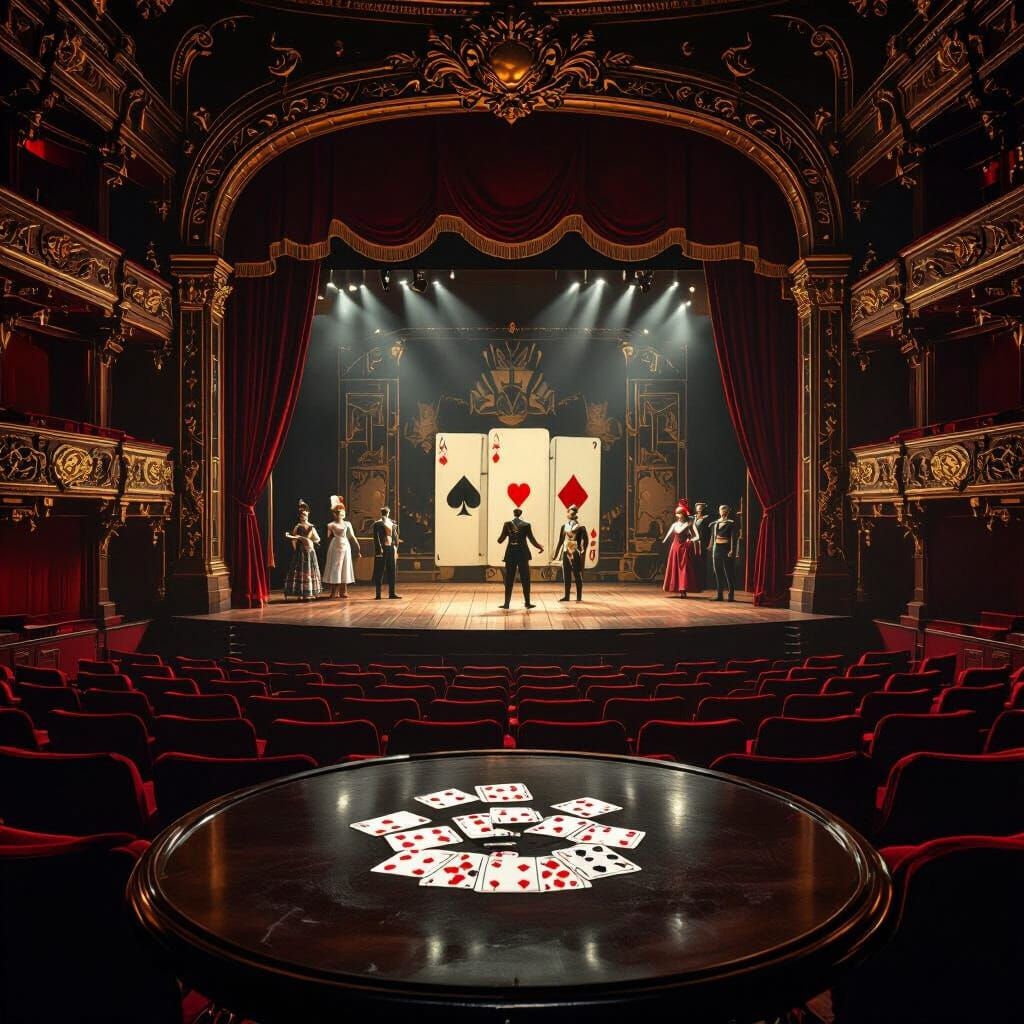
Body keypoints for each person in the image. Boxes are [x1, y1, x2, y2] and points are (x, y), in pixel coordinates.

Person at [497, 508, 544, 609]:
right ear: (521, 514)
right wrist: (540, 547)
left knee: (509, 579)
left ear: (513, 514)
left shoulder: (507, 524)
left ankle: (506, 604)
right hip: (523, 554)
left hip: (511, 554)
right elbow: (532, 539)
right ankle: (527, 603)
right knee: (525, 578)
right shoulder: (526, 525)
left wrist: (504, 535)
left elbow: (500, 540)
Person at [323, 497, 361, 599]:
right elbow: (328, 538)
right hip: (335, 546)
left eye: (342, 511)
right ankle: (333, 591)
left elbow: (352, 537)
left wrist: (358, 548)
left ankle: (343, 591)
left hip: (345, 546)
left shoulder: (347, 524)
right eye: (338, 511)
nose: (341, 513)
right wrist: (328, 550)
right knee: (336, 567)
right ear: (334, 513)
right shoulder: (331, 525)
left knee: (345, 566)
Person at [283, 500, 321, 601]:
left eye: (304, 514)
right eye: (301, 514)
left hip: (309, 551)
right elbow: (293, 539)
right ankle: (299, 592)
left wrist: (310, 541)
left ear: (308, 514)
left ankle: (309, 591)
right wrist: (296, 549)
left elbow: (317, 539)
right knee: (300, 571)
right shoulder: (298, 526)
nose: (303, 516)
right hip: (300, 552)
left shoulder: (311, 527)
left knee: (309, 571)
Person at [662, 501, 700, 598]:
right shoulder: (674, 525)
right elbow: (667, 536)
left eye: (680, 513)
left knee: (684, 568)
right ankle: (675, 588)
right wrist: (663, 541)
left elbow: (697, 536)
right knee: (675, 568)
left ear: (683, 514)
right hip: (675, 548)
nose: (678, 516)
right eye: (677, 514)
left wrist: (690, 541)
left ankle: (683, 589)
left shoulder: (689, 523)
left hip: (684, 548)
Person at [553, 503, 588, 602]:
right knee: (566, 574)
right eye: (570, 512)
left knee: (577, 573)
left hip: (574, 549)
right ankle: (567, 596)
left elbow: (584, 541)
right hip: (566, 550)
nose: (571, 514)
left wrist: (582, 550)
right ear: (568, 513)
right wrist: (556, 553)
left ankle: (579, 596)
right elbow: (560, 541)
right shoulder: (564, 526)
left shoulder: (580, 527)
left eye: (573, 513)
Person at [709, 503, 738, 601]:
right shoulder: (715, 523)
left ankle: (731, 595)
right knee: (718, 572)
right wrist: (711, 547)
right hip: (717, 549)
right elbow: (713, 537)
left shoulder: (731, 523)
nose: (723, 511)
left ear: (728, 511)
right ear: (719, 511)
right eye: (721, 509)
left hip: (726, 549)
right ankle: (719, 595)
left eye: (725, 509)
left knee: (728, 572)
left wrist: (732, 550)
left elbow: (733, 538)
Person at [371, 506, 401, 600]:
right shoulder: (378, 523)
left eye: (386, 513)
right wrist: (379, 549)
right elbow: (376, 538)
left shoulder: (392, 522)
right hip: (382, 548)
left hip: (391, 548)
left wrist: (395, 547)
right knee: (379, 570)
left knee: (391, 570)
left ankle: (392, 593)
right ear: (382, 513)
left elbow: (395, 535)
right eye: (384, 512)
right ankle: (378, 594)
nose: (386, 514)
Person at [692, 501, 712, 592]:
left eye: (701, 508)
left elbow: (711, 533)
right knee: (694, 563)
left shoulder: (707, 518)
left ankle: (703, 584)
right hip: (694, 543)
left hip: (703, 543)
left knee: (703, 563)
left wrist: (710, 544)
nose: (699, 509)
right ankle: (695, 583)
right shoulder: (693, 518)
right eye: (698, 508)